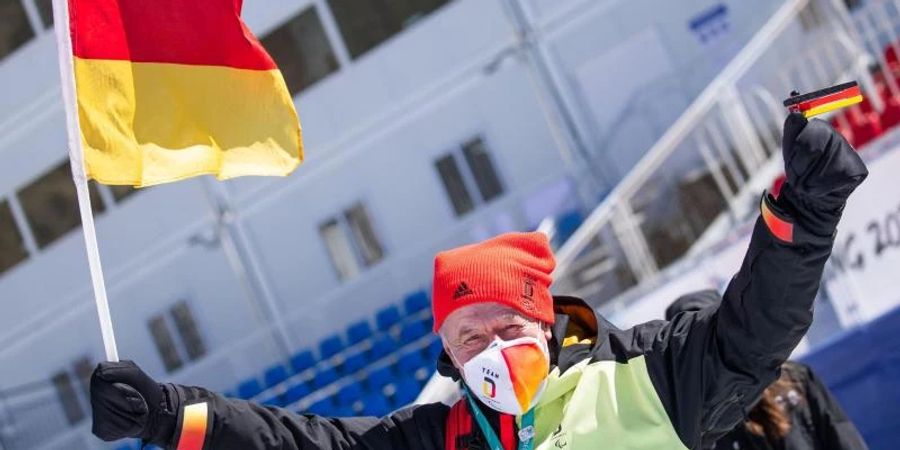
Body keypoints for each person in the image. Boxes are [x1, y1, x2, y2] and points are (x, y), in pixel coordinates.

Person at [90, 112, 867, 450]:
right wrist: (169, 415)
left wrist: (802, 213)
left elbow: (753, 334)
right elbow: (303, 444)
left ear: (548, 322)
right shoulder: (442, 438)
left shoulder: (641, 381)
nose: (490, 350)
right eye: (470, 337)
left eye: (504, 328)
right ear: (449, 355)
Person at [665, 292, 869, 450]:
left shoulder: (795, 379)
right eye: (699, 349)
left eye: (713, 340)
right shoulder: (695, 424)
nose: (710, 354)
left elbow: (842, 435)